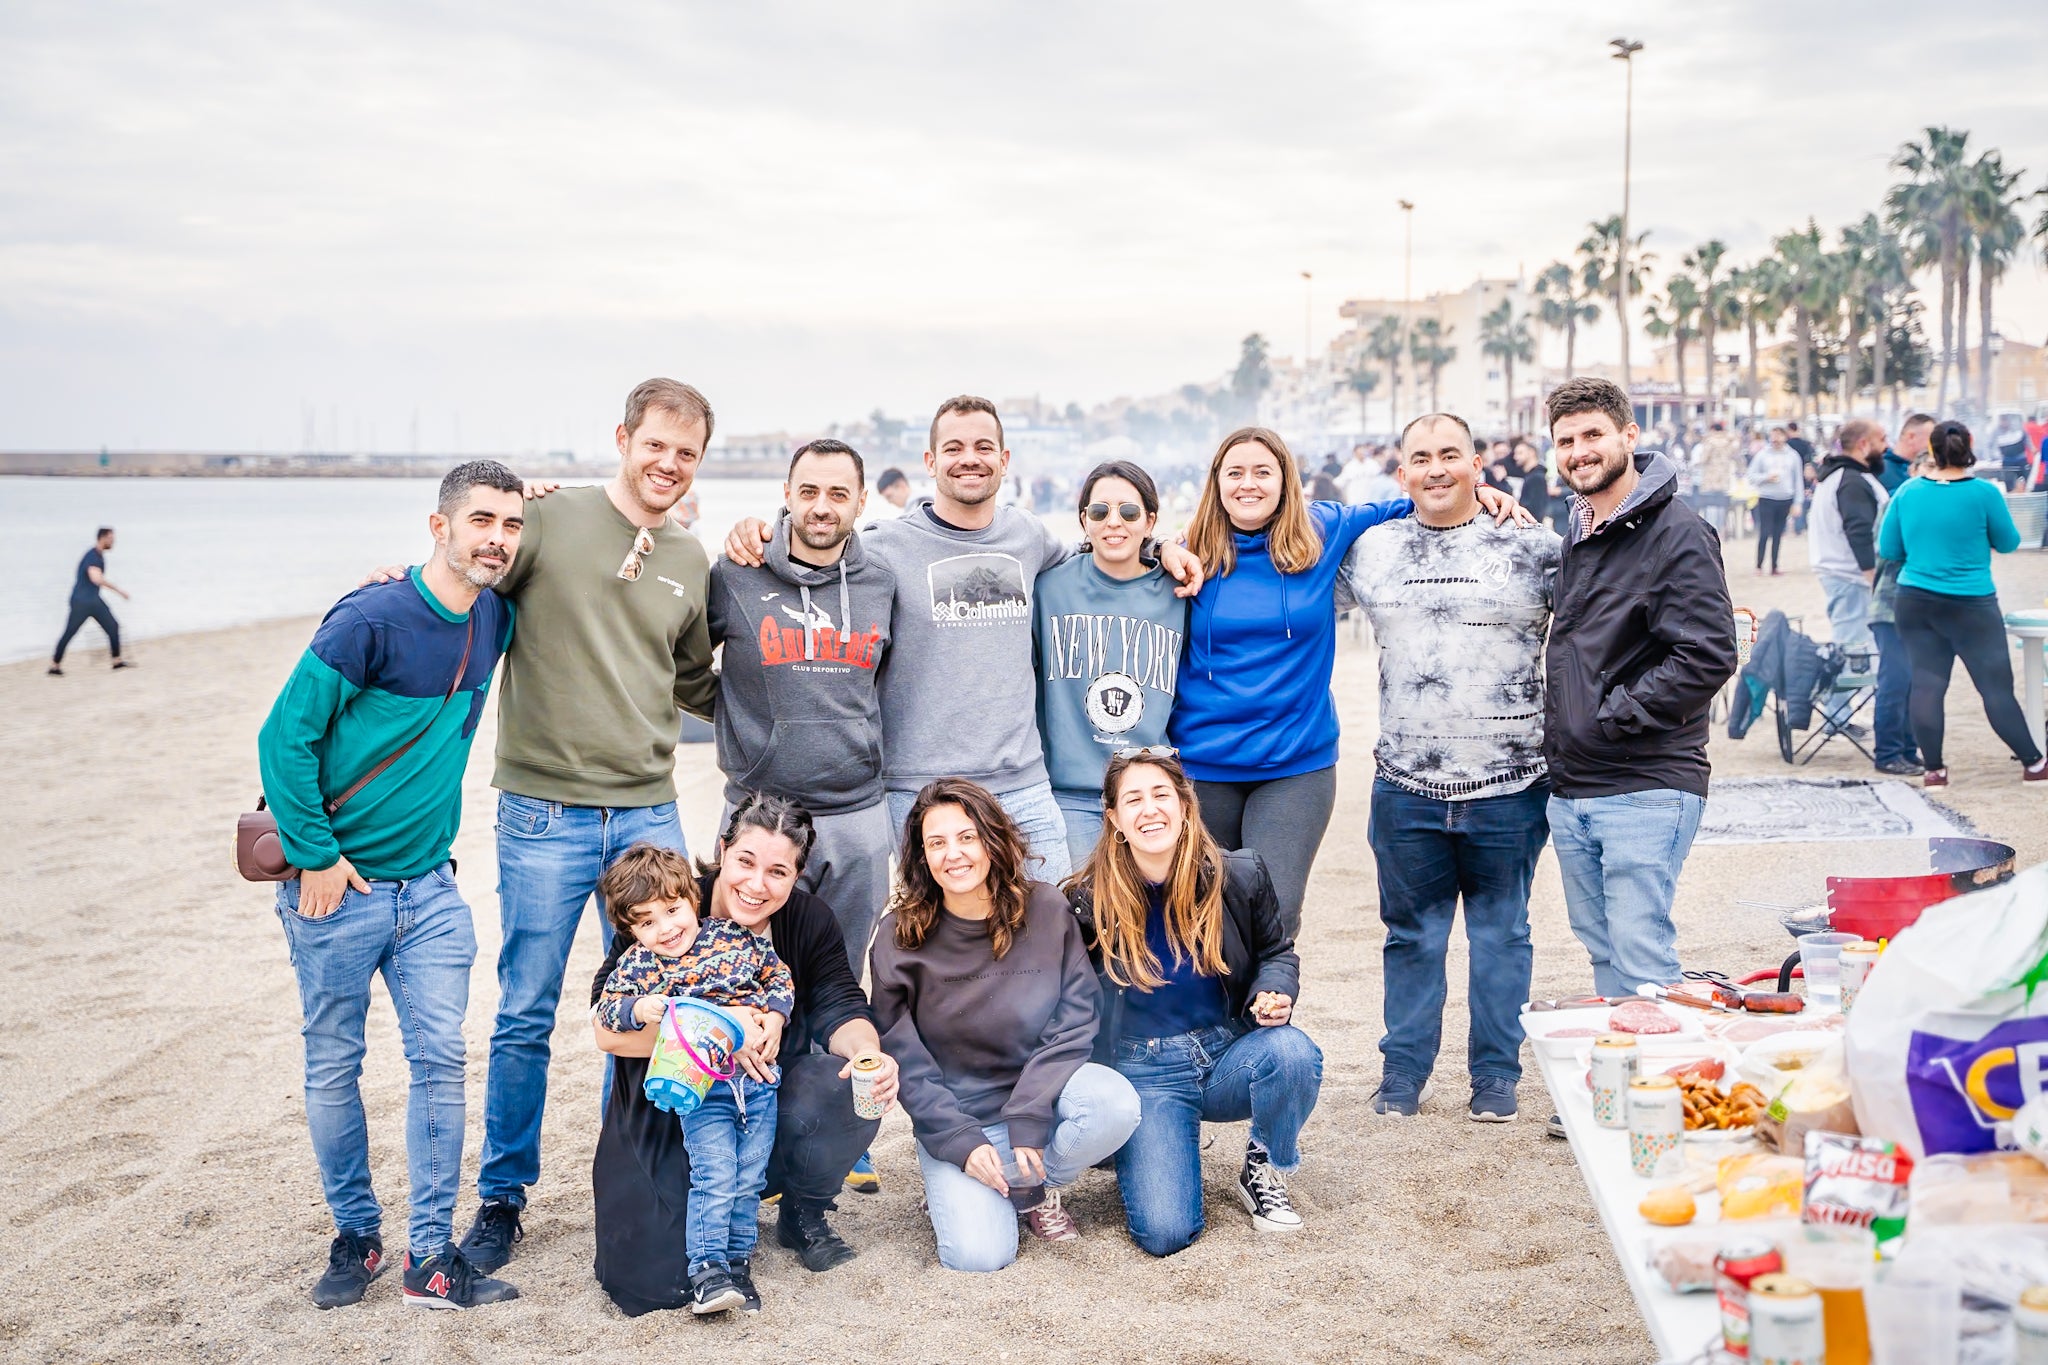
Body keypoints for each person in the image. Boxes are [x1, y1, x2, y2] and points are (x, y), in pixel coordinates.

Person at [453, 378, 721, 1275]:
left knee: (668, 1002)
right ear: (623, 438)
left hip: (649, 807)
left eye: (687, 454)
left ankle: (644, 1174)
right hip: (542, 811)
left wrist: (802, 697)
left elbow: (694, 681)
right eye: (657, 446)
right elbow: (469, 581)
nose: (669, 465)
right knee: (526, 1009)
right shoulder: (550, 518)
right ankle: (502, 1198)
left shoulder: (690, 553)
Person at [725, 396, 1201, 884]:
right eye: (953, 447)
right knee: (938, 943)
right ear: (930, 462)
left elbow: (1101, 550)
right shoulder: (884, 547)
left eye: (983, 446)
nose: (969, 457)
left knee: (1057, 927)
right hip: (917, 790)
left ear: (1004, 460)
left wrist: (1158, 547)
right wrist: (761, 531)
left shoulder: (1029, 536)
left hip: (1024, 786)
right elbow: (815, 545)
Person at [257, 461, 525, 1310]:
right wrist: (316, 856)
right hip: (336, 889)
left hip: (431, 893)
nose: (497, 537)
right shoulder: (370, 617)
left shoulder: (496, 618)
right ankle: (357, 1235)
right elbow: (283, 739)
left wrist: (546, 503)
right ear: (437, 524)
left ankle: (430, 1258)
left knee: (442, 1060)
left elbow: (530, 549)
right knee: (334, 1063)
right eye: (480, 518)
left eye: (511, 524)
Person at [1167, 426, 1527, 938]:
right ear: (1217, 483)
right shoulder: (1187, 551)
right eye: (1236, 473)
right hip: (1202, 765)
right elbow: (1112, 553)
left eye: (1263, 472)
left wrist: (1478, 492)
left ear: (1286, 481)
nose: (1250, 484)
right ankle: (1220, 1021)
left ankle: (1268, 1018)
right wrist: (1160, 545)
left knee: (1274, 913)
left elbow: (1409, 506)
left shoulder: (1323, 530)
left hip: (1294, 764)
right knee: (1204, 916)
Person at [591, 795, 896, 1313]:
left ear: (797, 875)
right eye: (746, 862)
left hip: (756, 1095)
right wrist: (722, 1033)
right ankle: (702, 1242)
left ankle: (801, 1212)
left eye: (778, 871)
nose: (757, 885)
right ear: (723, 851)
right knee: (654, 1279)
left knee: (841, 1082)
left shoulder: (805, 922)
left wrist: (869, 1054)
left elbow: (838, 1000)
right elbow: (607, 1028)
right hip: (670, 1096)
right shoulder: (666, 906)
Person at [1346, 414, 1561, 1122]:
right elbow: (1287, 556)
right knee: (1411, 936)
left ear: (1478, 464)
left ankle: (1495, 1076)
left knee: (1503, 936)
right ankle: (1403, 1074)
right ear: (1401, 473)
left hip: (1511, 784)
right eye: (1420, 458)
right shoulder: (1372, 549)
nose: (1436, 469)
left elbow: (1606, 613)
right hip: (1405, 785)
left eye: (1449, 456)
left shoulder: (1532, 545)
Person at [868, 779, 1142, 1272]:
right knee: (978, 1256)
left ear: (993, 839)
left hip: (1044, 1106)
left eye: (967, 836)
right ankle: (969, 1180)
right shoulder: (897, 938)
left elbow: (1076, 1018)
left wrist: (1030, 1112)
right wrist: (958, 1142)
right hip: (964, 1118)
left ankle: (1037, 1186)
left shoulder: (1046, 908)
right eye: (937, 842)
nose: (954, 854)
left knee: (1114, 1103)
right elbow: (905, 1058)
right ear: (920, 855)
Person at [1070, 749, 1321, 1255]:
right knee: (1165, 1234)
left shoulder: (1238, 873)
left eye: (1162, 794)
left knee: (1294, 1051)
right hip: (1145, 1069)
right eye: (1133, 800)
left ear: (1185, 805)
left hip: (1224, 1051)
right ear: (1114, 819)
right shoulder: (1084, 898)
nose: (1150, 809)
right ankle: (1149, 1142)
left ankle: (1263, 1162)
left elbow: (1277, 951)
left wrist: (1274, 992)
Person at [1544, 377, 1738, 1006]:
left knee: (1640, 949)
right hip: (1576, 786)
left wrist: (1614, 719)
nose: (1579, 450)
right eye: (1566, 440)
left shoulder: (1678, 531)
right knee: (1601, 945)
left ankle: (1657, 1092)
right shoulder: (1580, 529)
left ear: (1629, 435)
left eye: (1593, 434)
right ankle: (1620, 1089)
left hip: (1646, 780)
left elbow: (1708, 653)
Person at [707, 438, 895, 973]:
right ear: (787, 494)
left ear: (861, 503)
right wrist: (738, 722)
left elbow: (889, 680)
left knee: (840, 971)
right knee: (736, 968)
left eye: (839, 493)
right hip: (758, 810)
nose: (821, 506)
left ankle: (821, 1060)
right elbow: (682, 665)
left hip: (855, 814)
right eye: (808, 490)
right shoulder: (734, 574)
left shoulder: (881, 583)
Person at [593, 844, 793, 1315]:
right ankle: (707, 1267)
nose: (664, 929)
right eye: (645, 922)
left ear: (692, 899)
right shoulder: (639, 965)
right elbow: (606, 1010)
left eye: (671, 910)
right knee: (715, 1173)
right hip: (701, 1088)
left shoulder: (733, 938)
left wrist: (776, 1017)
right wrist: (638, 1008)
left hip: (758, 1082)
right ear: (629, 929)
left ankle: (738, 1261)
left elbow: (777, 976)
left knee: (750, 1177)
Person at [1034, 461, 1189, 868]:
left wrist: (1169, 547)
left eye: (1129, 512)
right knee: (1080, 920)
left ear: (1150, 520)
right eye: (1100, 512)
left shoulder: (1180, 590)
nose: (1113, 523)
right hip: (1069, 794)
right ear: (1084, 519)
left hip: (1147, 792)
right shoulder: (1049, 586)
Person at [1878, 420, 2048, 789]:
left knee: (1926, 685)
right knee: (1995, 688)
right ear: (1969, 445)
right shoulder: (1984, 493)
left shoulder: (1907, 492)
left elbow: (1888, 550)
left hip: (1915, 599)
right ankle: (2034, 764)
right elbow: (2008, 543)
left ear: (1933, 450)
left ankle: (1934, 771)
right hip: (1972, 603)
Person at [1807, 419, 1889, 657]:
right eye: (1881, 440)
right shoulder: (1850, 481)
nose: (1886, 447)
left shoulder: (1844, 476)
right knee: (1854, 655)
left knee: (1855, 650)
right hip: (1852, 578)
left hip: (1845, 576)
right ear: (1863, 444)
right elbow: (1859, 533)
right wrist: (1874, 579)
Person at [1868, 451, 1927, 777]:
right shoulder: (1898, 501)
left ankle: (1908, 749)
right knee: (1895, 680)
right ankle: (1887, 753)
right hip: (1890, 607)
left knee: (1916, 683)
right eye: (1926, 466)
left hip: (1922, 611)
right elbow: (1884, 548)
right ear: (1914, 470)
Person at [49, 526, 131, 674]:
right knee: (70, 632)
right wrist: (118, 590)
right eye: (111, 539)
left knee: (113, 627)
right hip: (83, 602)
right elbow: (96, 578)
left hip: (92, 600)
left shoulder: (98, 555)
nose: (113, 542)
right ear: (103, 538)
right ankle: (55, 665)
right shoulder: (93, 557)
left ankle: (117, 661)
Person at [1746, 427, 1803, 574]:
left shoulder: (1793, 456)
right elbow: (1751, 475)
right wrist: (1766, 477)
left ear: (1785, 437)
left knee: (1778, 534)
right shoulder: (1762, 455)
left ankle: (1774, 566)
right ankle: (1758, 565)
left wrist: (1798, 502)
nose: (1775, 439)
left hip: (1785, 498)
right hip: (1767, 497)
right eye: (1773, 436)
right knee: (1764, 533)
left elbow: (1798, 480)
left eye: (1778, 436)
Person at [1879, 413, 1932, 493]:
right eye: (1931, 439)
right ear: (1911, 437)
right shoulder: (1880, 469)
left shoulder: (1927, 469)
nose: (1934, 445)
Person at [1512, 440, 1552, 524]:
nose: (1515, 457)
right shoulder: (1531, 476)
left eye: (1520, 453)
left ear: (1531, 453)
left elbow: (1536, 510)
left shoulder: (1536, 477)